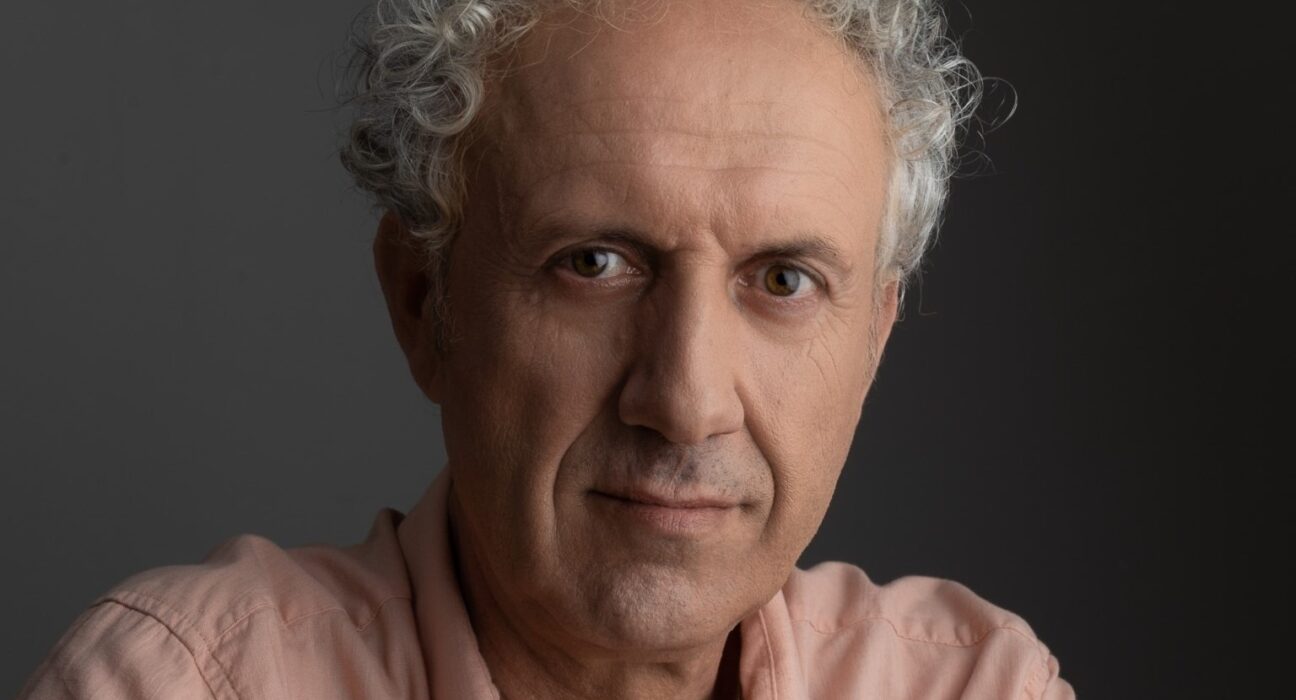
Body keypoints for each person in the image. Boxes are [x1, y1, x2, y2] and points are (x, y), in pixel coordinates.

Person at [19, 0, 1073, 697]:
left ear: (874, 339)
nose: (686, 401)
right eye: (595, 264)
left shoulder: (973, 688)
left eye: (783, 281)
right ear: (424, 302)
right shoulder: (181, 686)